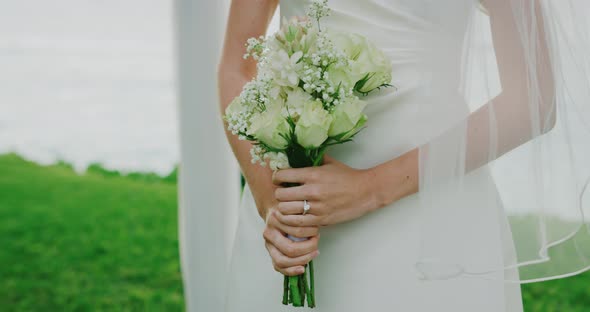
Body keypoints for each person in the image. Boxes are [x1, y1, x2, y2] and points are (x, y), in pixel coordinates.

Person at [207, 0, 590, 310]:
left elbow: (532, 100)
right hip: (293, 218)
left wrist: (368, 189)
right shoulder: (279, 211)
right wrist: (269, 201)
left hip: (428, 208)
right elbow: (236, 66)